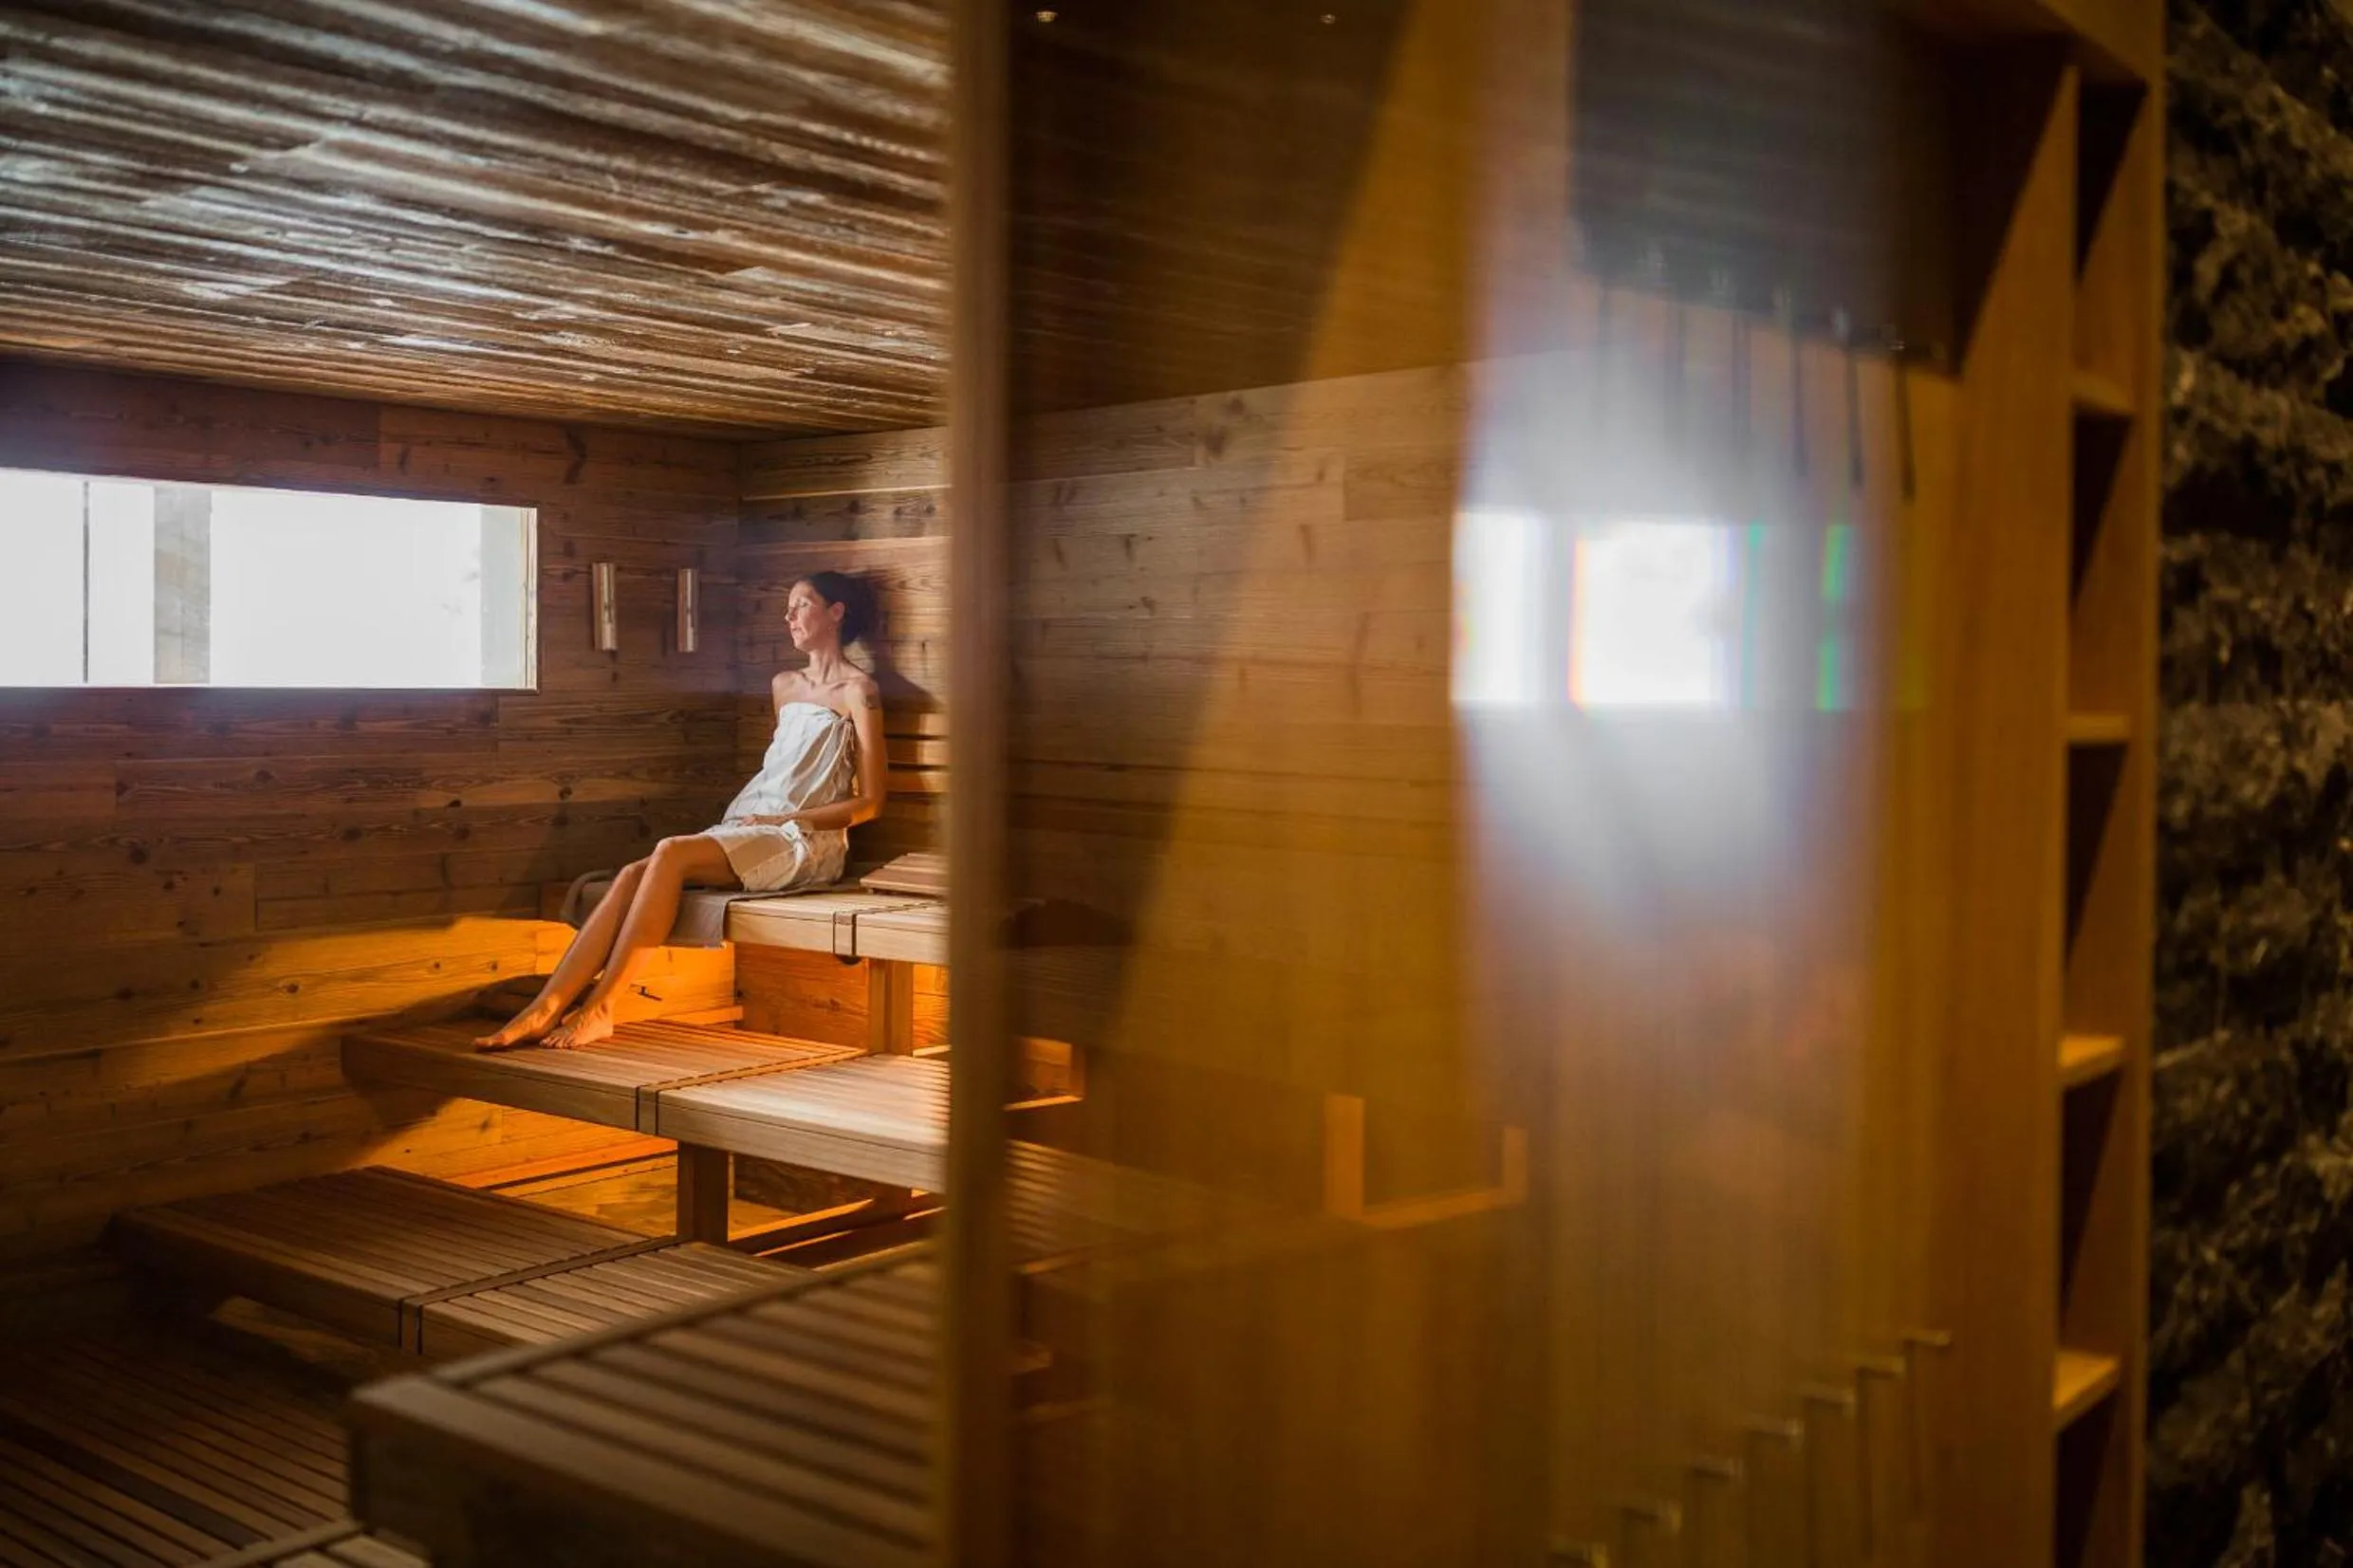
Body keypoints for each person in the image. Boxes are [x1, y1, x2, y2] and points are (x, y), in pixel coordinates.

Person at [477, 572, 887, 1051]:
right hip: (751, 825)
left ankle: (603, 1007)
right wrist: (759, 817)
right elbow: (781, 773)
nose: (789, 616)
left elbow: (872, 802)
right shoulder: (784, 685)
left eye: (801, 605)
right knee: (633, 873)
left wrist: (788, 821)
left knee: (669, 852)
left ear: (836, 612)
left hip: (802, 839)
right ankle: (545, 1007)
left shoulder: (860, 691)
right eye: (788, 607)